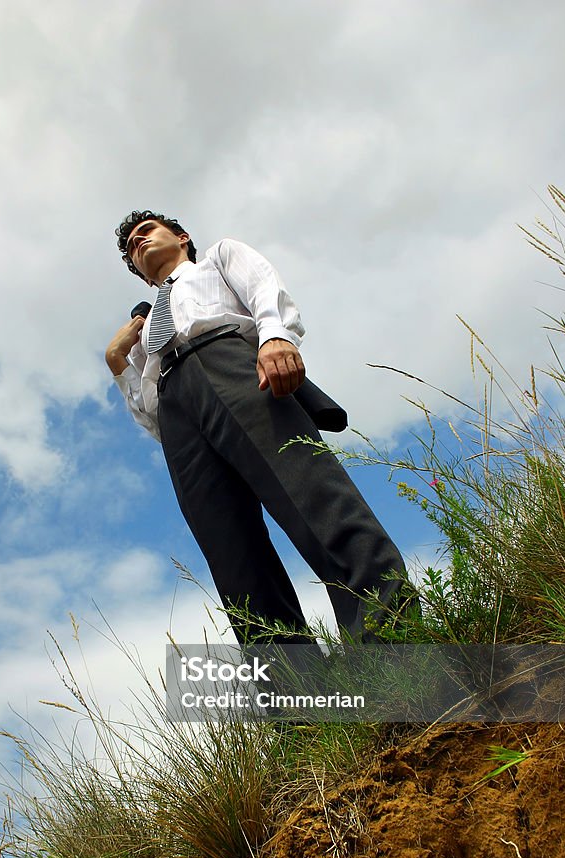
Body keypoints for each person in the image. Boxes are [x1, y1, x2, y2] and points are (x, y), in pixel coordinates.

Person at [105, 210, 409, 645]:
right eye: (131, 246)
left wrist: (275, 336)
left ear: (182, 237)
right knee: (232, 556)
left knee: (314, 499)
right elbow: (152, 414)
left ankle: (397, 648)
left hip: (231, 362)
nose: (138, 242)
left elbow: (263, 286)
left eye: (145, 232)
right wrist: (120, 364)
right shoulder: (143, 329)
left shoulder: (216, 260)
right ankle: (293, 700)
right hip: (176, 409)